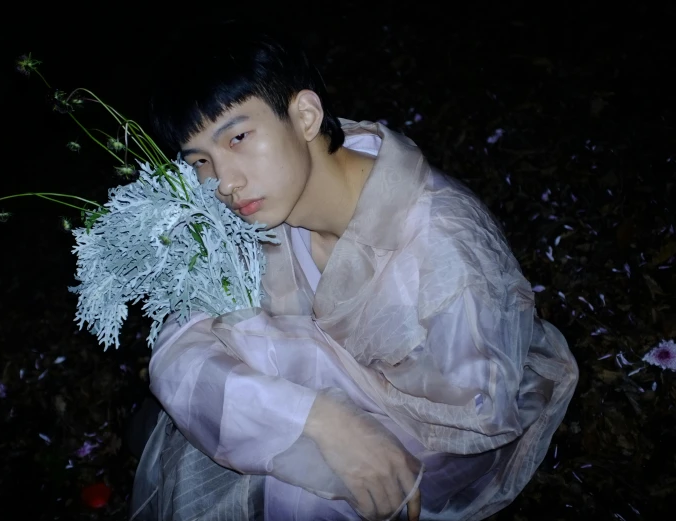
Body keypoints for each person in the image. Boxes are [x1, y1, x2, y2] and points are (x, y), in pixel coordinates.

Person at [128, 22, 579, 521]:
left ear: (304, 115)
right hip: (353, 419)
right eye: (201, 162)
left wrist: (293, 392)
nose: (225, 184)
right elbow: (178, 347)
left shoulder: (444, 256)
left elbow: (477, 422)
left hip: (448, 441)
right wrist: (318, 418)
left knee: (302, 486)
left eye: (237, 137)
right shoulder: (256, 207)